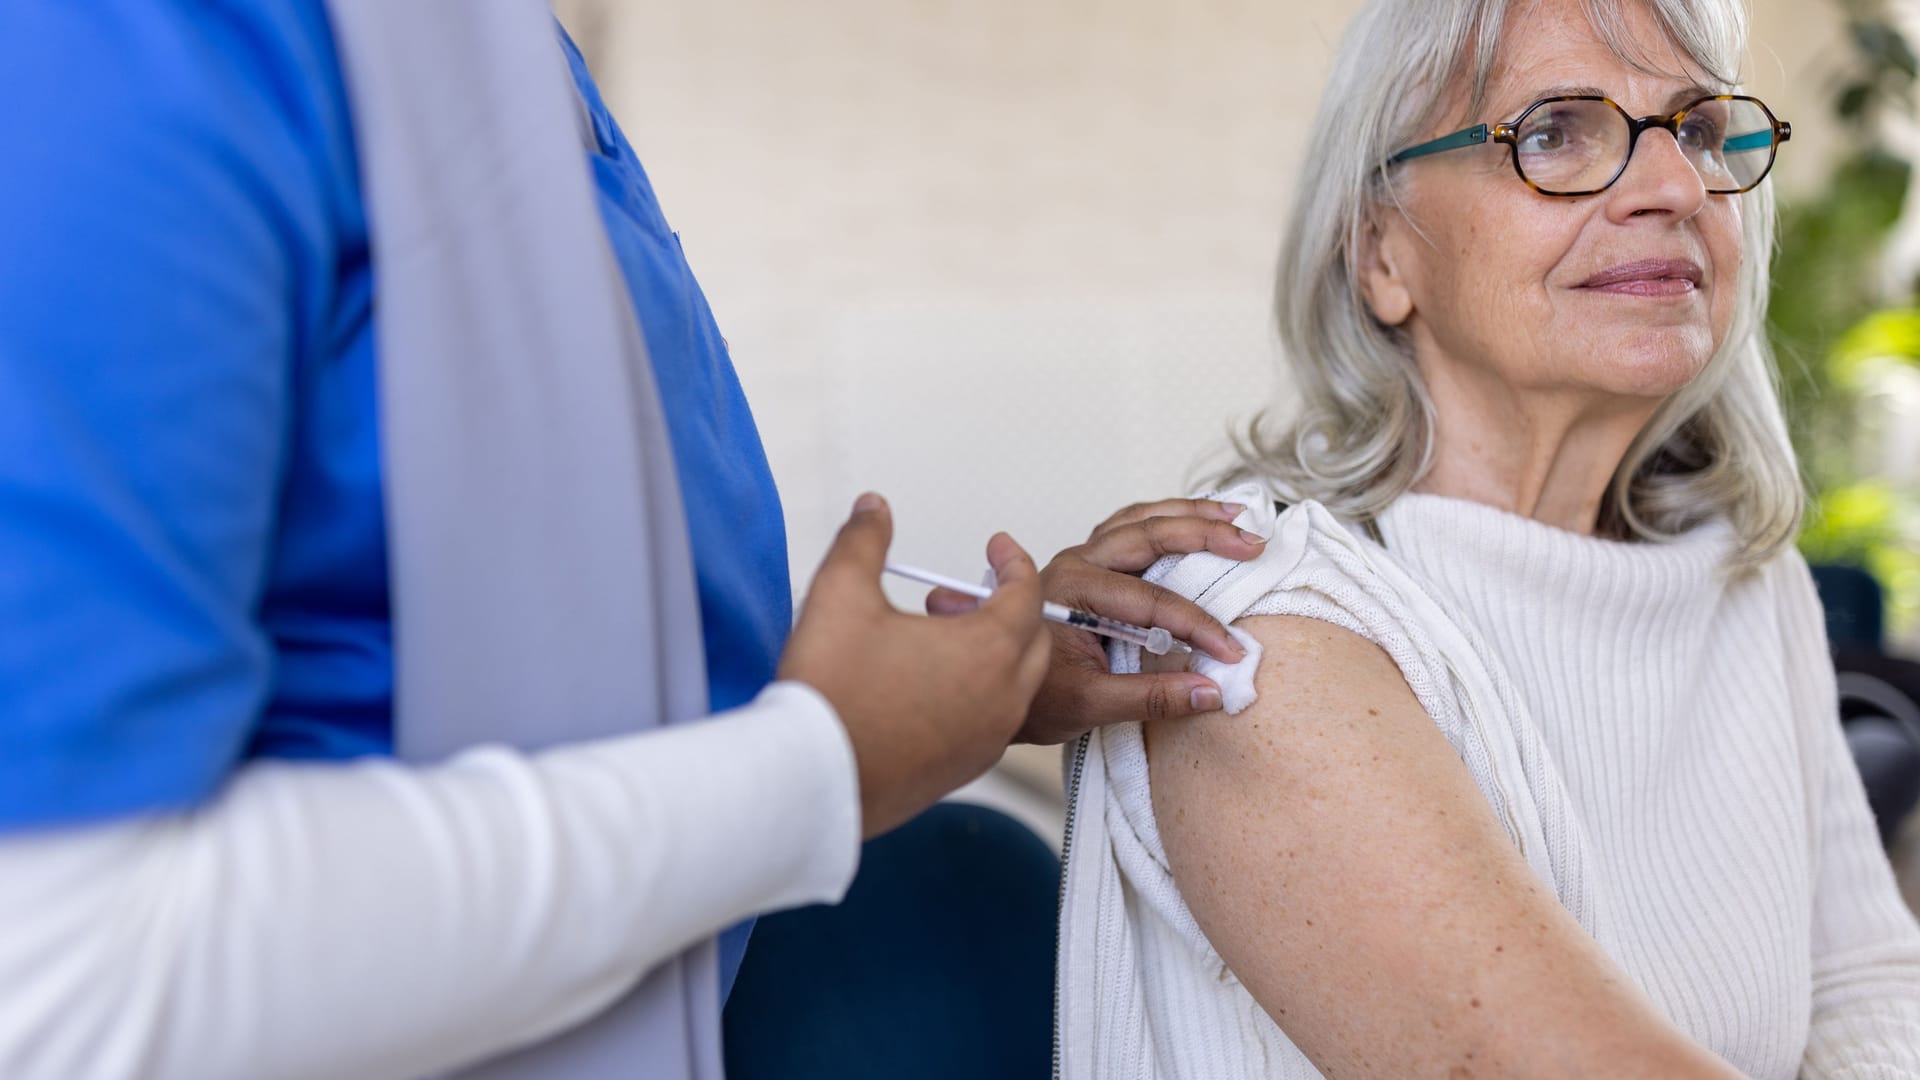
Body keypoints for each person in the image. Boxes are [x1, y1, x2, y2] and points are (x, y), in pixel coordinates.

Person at [0, 3, 1265, 1078]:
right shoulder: (137, 53)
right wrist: (813, 768)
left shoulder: (495, 60)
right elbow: (60, 973)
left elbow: (505, 586)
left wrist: (961, 680)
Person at [1054, 0, 1920, 1076]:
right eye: (1555, 131)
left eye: (1698, 129)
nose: (1675, 188)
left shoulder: (1745, 576)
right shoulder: (1248, 618)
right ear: (1381, 257)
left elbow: (1866, 992)